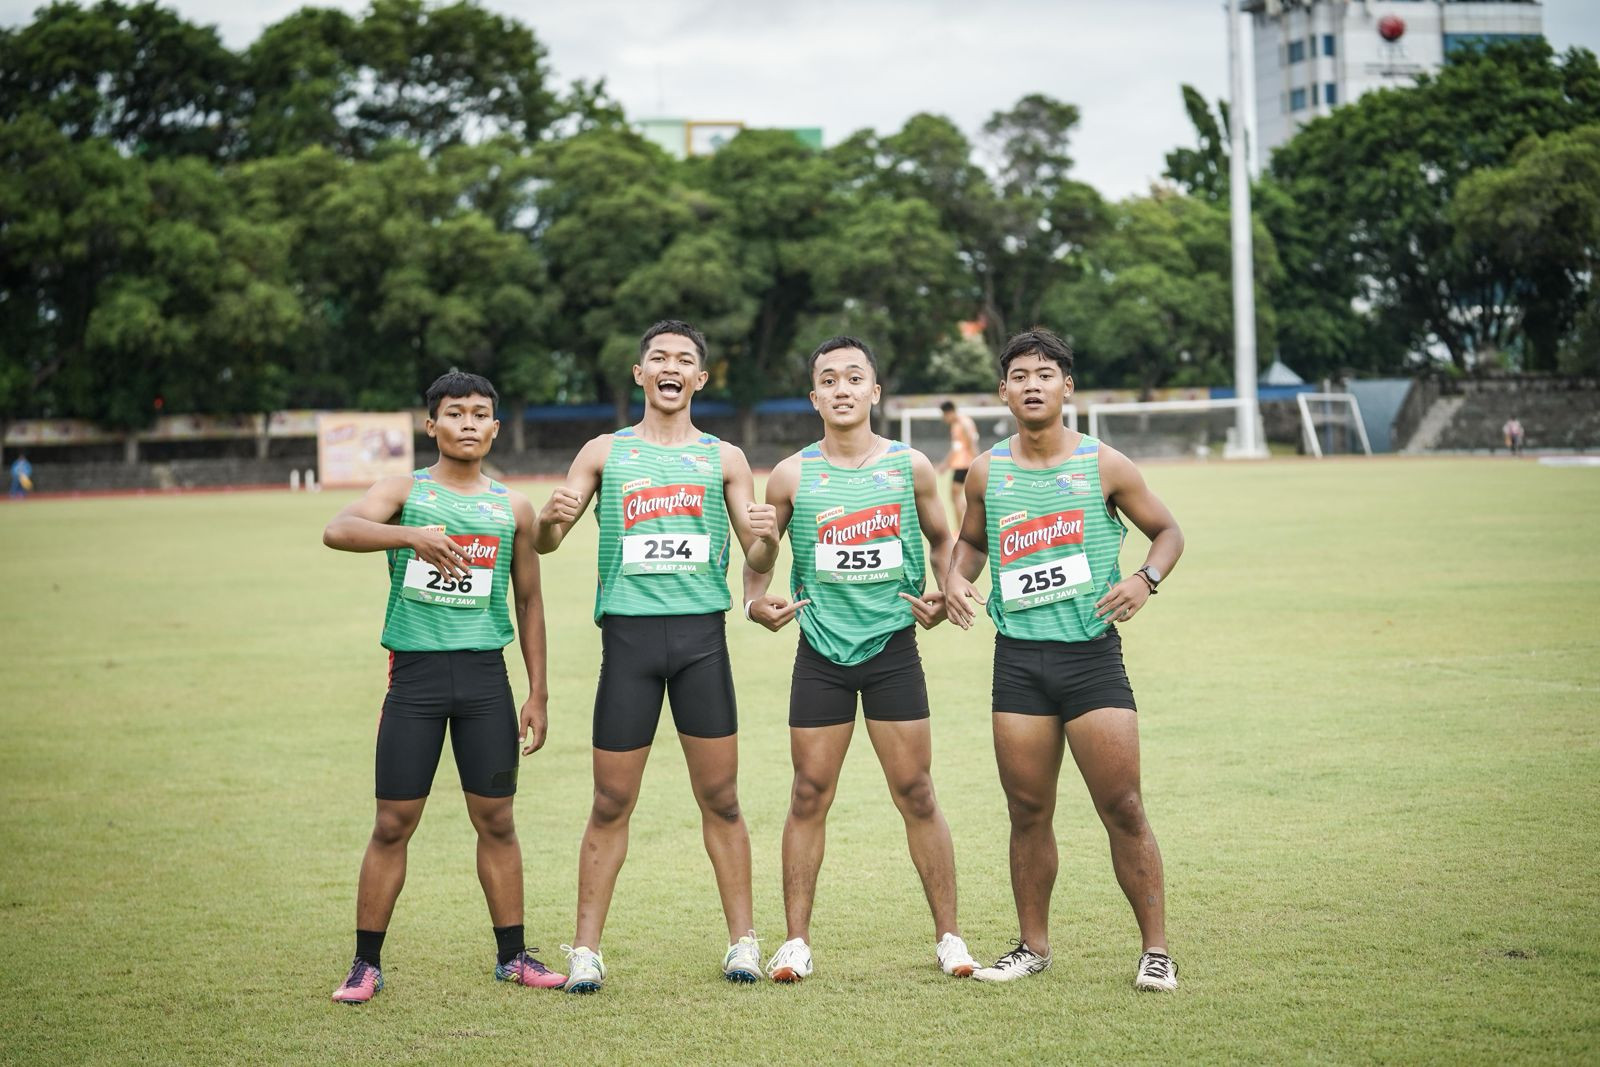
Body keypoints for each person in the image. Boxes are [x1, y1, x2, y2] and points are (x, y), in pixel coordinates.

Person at [534, 319, 780, 994]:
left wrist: (766, 540)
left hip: (702, 643)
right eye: (659, 358)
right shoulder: (604, 452)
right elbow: (548, 540)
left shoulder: (725, 458)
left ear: (700, 379)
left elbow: (758, 555)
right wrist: (551, 519)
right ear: (640, 374)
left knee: (722, 798)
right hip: (630, 645)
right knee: (611, 800)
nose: (671, 367)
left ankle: (743, 941)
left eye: (685, 360)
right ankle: (586, 948)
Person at [945, 328, 1185, 992]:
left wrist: (1145, 579)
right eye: (1018, 374)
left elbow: (1168, 531)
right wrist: (956, 577)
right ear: (1003, 391)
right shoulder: (988, 471)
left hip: (1091, 660)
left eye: (1044, 373)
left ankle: (1157, 950)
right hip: (1018, 662)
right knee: (1027, 809)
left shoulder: (1104, 465)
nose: (1031, 383)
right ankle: (1033, 945)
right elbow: (969, 545)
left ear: (1066, 386)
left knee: (1124, 805)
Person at [321, 371, 564, 1004]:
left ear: (495, 428)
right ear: (431, 425)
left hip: (486, 679)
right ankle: (365, 965)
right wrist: (411, 536)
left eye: (479, 414)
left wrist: (537, 691)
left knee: (498, 821)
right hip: (417, 680)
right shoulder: (404, 491)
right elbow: (338, 528)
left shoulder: (512, 506)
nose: (467, 424)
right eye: (453, 414)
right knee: (393, 823)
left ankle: (513, 956)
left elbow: (531, 602)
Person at [743, 336, 979, 984]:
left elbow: (943, 540)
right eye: (829, 378)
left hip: (892, 648)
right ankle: (795, 942)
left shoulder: (910, 467)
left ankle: (950, 937)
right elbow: (760, 562)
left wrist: (947, 584)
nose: (842, 388)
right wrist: (755, 591)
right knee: (808, 792)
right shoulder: (791, 474)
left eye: (855, 377)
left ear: (875, 391)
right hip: (819, 651)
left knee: (917, 791)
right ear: (814, 395)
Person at [936, 400, 979, 527]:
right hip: (963, 464)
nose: (944, 418)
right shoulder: (958, 424)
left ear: (950, 412)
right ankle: (960, 528)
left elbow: (972, 444)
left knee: (957, 496)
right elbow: (957, 448)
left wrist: (976, 462)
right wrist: (946, 464)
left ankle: (960, 529)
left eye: (944, 415)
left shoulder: (963, 424)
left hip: (965, 464)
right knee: (958, 496)